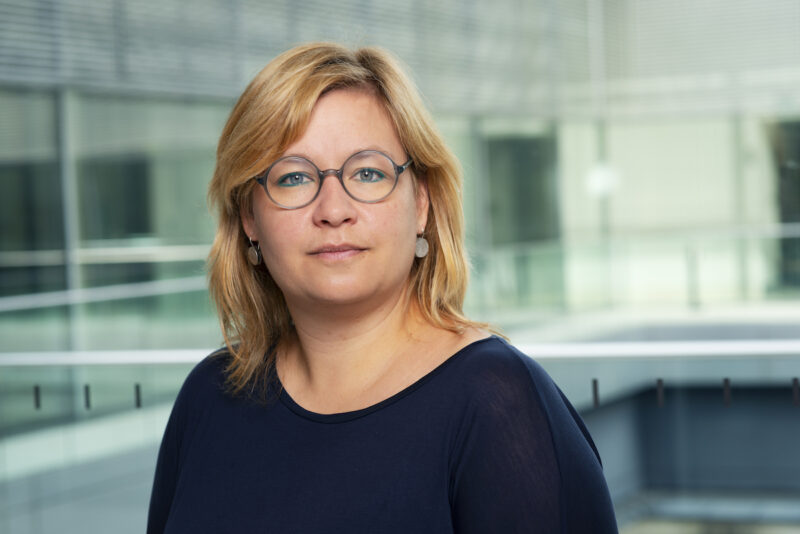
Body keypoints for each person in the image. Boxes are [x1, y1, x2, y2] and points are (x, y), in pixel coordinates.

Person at [147, 42, 618, 533]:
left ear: (421, 203)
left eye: (368, 172)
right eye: (293, 178)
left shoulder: (497, 404)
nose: (333, 209)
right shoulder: (209, 397)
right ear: (249, 218)